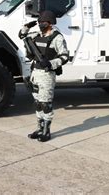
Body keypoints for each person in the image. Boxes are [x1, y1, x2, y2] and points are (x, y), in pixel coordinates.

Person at [19, 11, 69, 142]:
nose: (41, 24)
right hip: (35, 73)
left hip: (47, 74)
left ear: (50, 23)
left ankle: (47, 131)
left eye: (43, 22)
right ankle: (39, 128)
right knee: (38, 103)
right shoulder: (36, 35)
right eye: (39, 22)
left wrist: (51, 63)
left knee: (46, 104)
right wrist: (27, 26)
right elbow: (22, 35)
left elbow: (64, 56)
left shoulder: (57, 38)